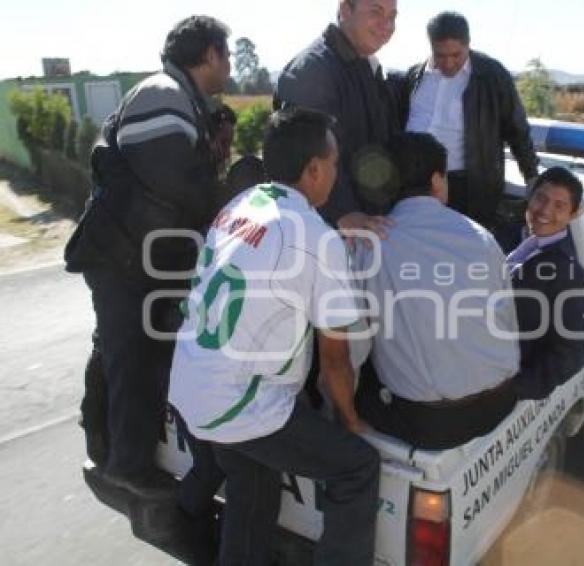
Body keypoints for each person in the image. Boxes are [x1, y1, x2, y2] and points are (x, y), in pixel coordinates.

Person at [169, 108, 380, 566]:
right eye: (336, 162)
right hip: (238, 402)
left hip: (191, 382)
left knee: (254, 482)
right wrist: (349, 421)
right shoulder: (317, 239)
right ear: (314, 169)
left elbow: (274, 250)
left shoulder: (242, 205)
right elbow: (335, 362)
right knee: (357, 467)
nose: (336, 173)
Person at [64, 15, 231, 497]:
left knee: (127, 353)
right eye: (226, 54)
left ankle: (109, 446)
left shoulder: (183, 99)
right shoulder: (162, 94)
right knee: (128, 356)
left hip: (135, 255)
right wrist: (230, 198)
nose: (228, 67)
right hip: (122, 256)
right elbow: (175, 182)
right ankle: (126, 466)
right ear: (210, 55)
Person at [353, 132, 520, 450]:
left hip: (434, 424)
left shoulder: (369, 245)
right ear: (437, 180)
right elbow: (506, 317)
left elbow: (353, 345)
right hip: (502, 400)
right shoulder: (482, 237)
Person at [397, 11, 539, 229]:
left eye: (456, 55)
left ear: (468, 45)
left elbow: (517, 129)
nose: (448, 63)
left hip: (469, 189)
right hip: (415, 187)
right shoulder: (414, 77)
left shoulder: (492, 75)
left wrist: (531, 176)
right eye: (440, 55)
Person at [274, 0, 400, 236]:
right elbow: (306, 155)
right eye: (376, 12)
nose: (387, 25)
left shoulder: (366, 66)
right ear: (344, 10)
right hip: (326, 234)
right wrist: (343, 212)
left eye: (393, 16)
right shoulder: (312, 70)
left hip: (369, 227)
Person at [508, 167, 584, 400]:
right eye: (541, 198)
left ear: (573, 214)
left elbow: (573, 352)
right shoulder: (515, 238)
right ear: (530, 197)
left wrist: (514, 388)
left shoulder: (569, 274)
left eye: (559, 205)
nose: (545, 210)